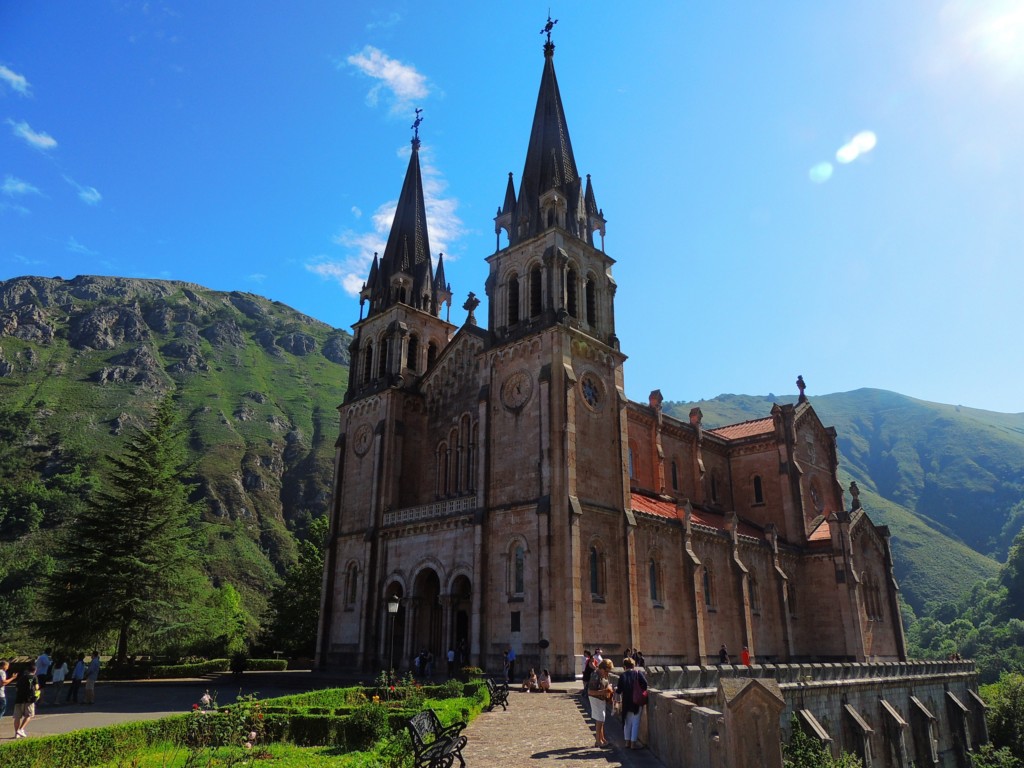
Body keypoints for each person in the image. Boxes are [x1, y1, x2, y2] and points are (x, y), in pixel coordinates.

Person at [616, 656, 649, 750]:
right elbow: (645, 684)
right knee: (635, 723)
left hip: (626, 702)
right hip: (636, 701)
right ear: (633, 665)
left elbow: (619, 690)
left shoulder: (622, 676)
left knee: (627, 723)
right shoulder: (638, 673)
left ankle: (627, 742)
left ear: (625, 666)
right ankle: (633, 744)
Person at [587, 659, 614, 747]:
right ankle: (598, 741)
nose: (607, 674)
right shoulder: (596, 675)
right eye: (606, 671)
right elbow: (590, 692)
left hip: (600, 699)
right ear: (602, 668)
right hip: (595, 698)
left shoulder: (602, 674)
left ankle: (602, 739)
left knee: (601, 719)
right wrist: (605, 691)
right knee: (600, 719)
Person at [13, 661, 39, 738]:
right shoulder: (34, 677)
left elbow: (17, 688)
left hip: (19, 699)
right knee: (29, 715)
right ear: (35, 670)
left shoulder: (22, 677)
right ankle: (21, 729)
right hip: (29, 699)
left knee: (17, 716)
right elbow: (36, 687)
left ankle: (16, 733)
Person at [0, 659, 17, 725]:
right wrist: (12, 678)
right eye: (7, 665)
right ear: (4, 665)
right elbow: (3, 682)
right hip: (1, 695)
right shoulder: (2, 672)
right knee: (2, 709)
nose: (8, 667)